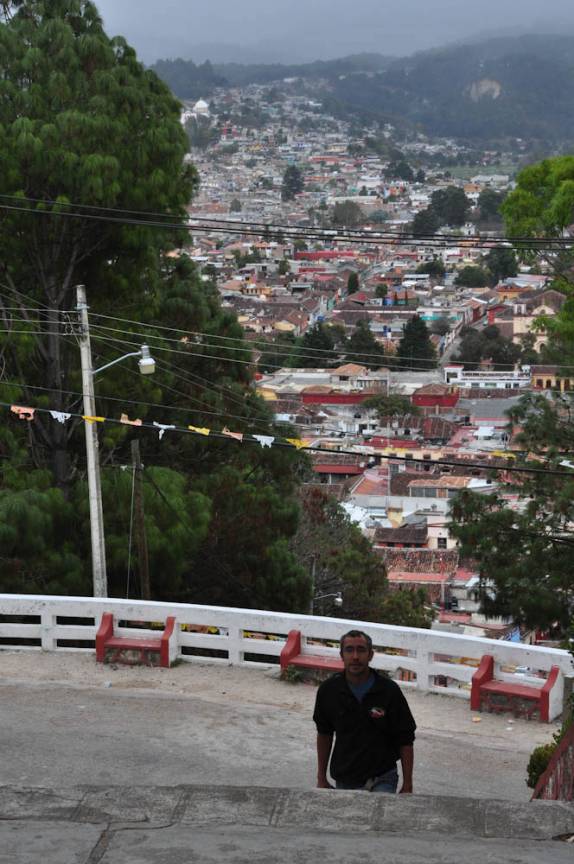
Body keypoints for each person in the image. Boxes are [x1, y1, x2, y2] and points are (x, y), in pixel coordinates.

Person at [313, 629, 416, 793]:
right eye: (349, 650)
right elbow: (324, 734)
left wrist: (408, 785)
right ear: (341, 655)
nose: (355, 656)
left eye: (361, 650)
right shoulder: (329, 690)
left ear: (370, 655)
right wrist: (321, 778)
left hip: (382, 777)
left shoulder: (388, 691)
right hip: (345, 778)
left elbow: (405, 739)